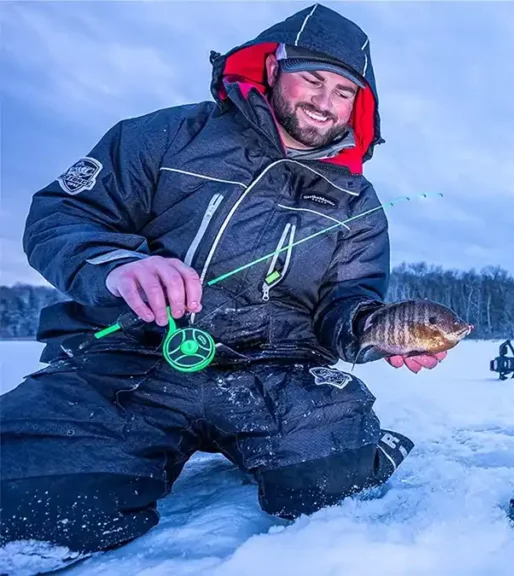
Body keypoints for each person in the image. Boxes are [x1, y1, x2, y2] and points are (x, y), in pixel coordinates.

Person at [0, 3, 447, 568]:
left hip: (278, 372)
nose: (323, 101)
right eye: (311, 79)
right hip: (129, 358)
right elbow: (61, 214)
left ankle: (344, 442)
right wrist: (118, 265)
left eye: (343, 92)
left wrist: (369, 332)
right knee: (29, 499)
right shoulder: (165, 136)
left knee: (334, 484)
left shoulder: (357, 201)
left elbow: (348, 301)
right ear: (272, 67)